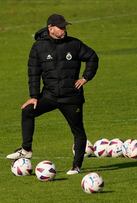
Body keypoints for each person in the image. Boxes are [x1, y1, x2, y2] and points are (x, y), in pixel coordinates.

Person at [6, 14, 99, 175]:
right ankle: (26, 150)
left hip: (71, 98)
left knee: (78, 131)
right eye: (61, 27)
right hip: (49, 96)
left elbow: (92, 57)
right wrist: (34, 96)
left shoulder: (74, 44)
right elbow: (33, 73)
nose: (64, 30)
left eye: (65, 27)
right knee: (27, 110)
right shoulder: (38, 47)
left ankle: (76, 166)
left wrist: (85, 77)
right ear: (50, 28)